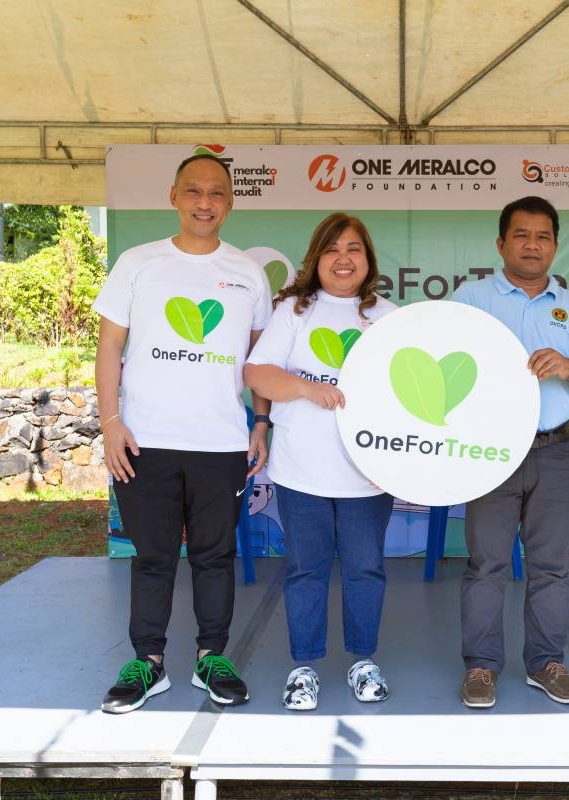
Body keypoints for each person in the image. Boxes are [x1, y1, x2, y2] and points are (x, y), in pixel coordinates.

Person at [95, 153, 272, 714]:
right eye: (193, 191)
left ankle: (210, 657)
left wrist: (262, 420)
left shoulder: (247, 272)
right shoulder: (137, 263)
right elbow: (109, 348)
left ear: (230, 202)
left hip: (221, 444)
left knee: (214, 558)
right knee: (152, 557)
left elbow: (259, 363)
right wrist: (110, 423)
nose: (204, 202)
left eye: (216, 193)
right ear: (173, 196)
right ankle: (147, 662)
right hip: (145, 441)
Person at [452, 195, 569, 708]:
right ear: (501, 243)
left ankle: (546, 664)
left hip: (556, 450)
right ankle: (481, 668)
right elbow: (448, 361)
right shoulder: (471, 298)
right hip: (490, 452)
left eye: (543, 236)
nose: (532, 245)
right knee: (486, 564)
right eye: (521, 235)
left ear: (555, 246)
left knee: (552, 567)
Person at [243, 213, 397, 712]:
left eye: (354, 248)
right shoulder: (294, 309)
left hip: (367, 474)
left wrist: (397, 462)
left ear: (368, 258)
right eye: (332, 249)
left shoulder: (389, 317)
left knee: (365, 569)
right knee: (306, 569)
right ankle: (303, 668)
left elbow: (406, 398)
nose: (344, 258)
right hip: (300, 469)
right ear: (317, 258)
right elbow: (258, 373)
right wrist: (310, 389)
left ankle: (363, 662)